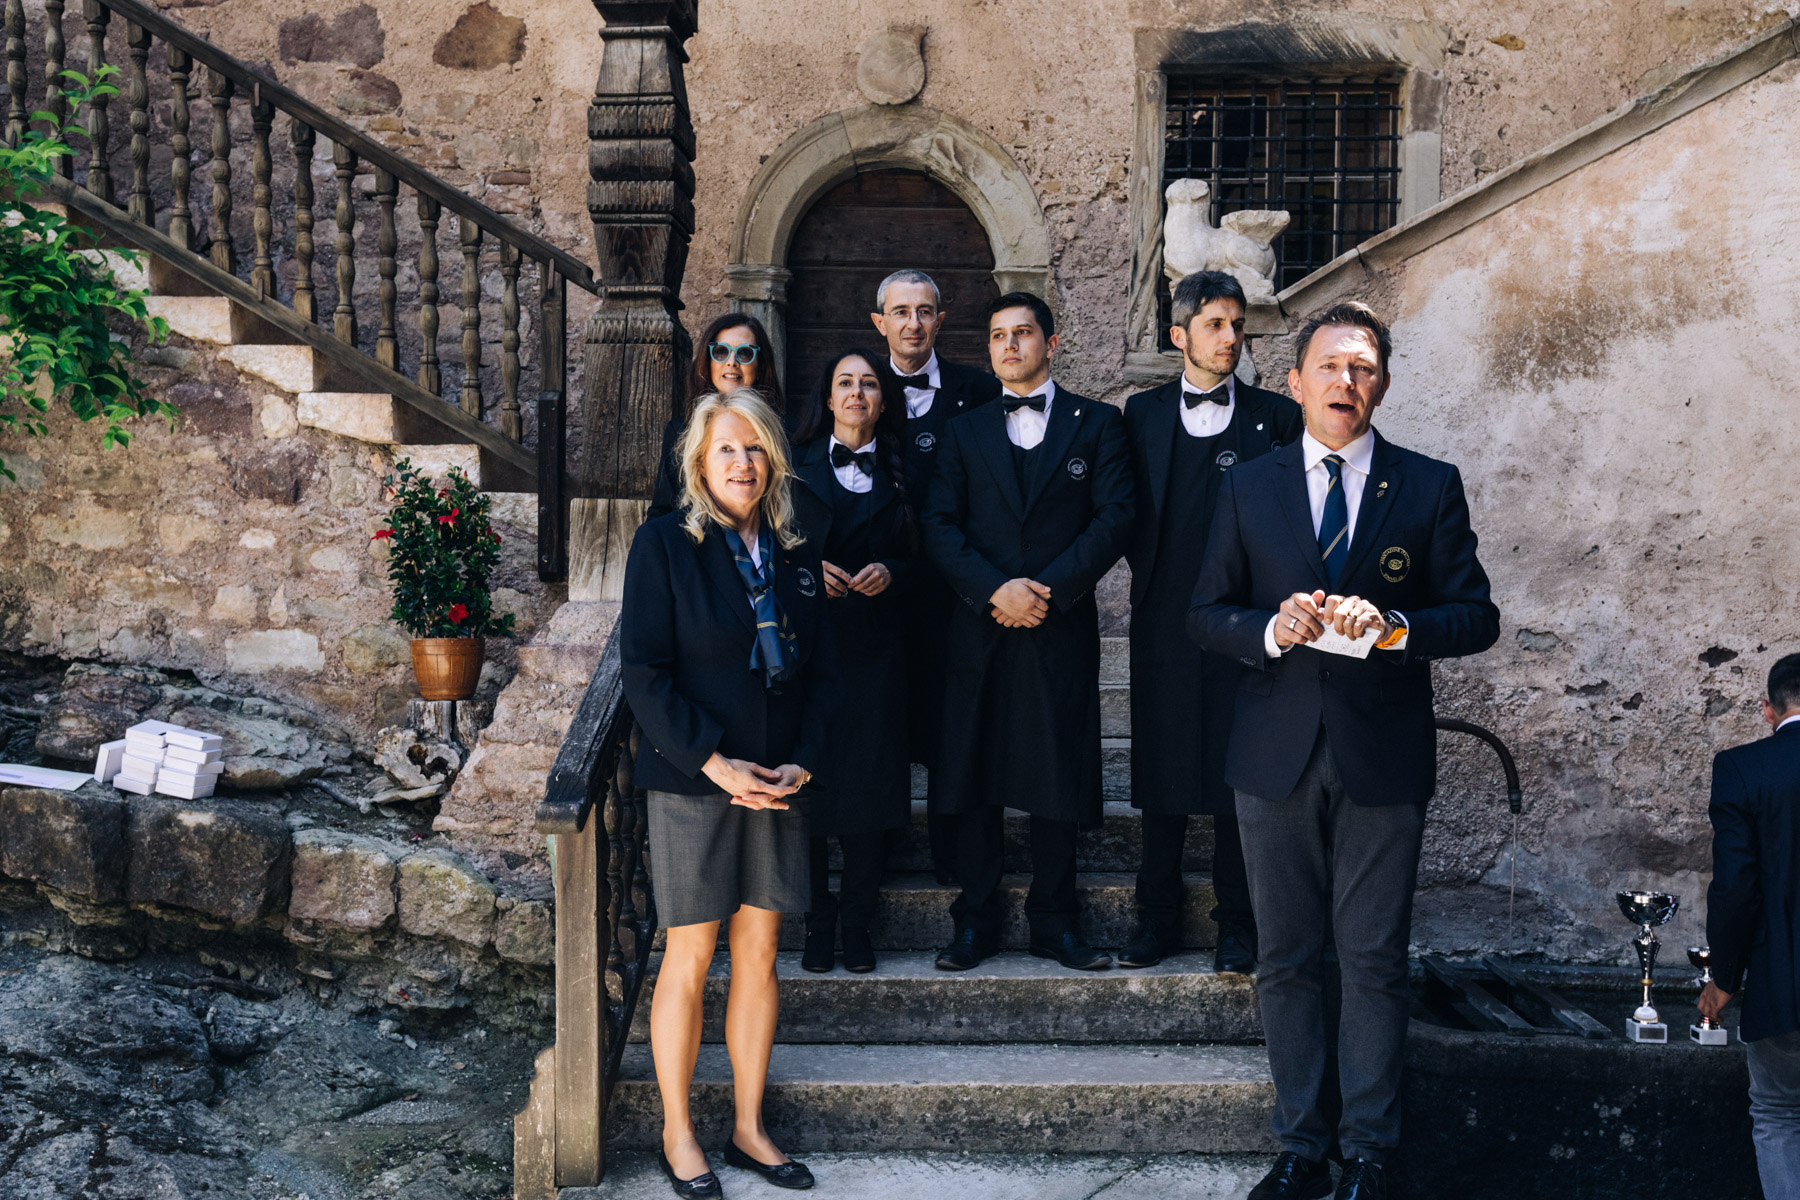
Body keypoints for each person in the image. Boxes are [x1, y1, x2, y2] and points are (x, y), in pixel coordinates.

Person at [1189, 301, 1499, 1200]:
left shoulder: (1429, 484)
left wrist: (1396, 626)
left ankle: (1368, 1155)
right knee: (1285, 958)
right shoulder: (1249, 486)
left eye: (1362, 367)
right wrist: (1271, 629)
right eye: (1329, 366)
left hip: (1382, 755)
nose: (1345, 381)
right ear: (1295, 383)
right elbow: (1205, 614)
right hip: (1273, 757)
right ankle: (1301, 1149)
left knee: (1372, 960)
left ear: (1383, 386)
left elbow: (1476, 616)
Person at [620, 389, 836, 1197]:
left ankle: (748, 1128)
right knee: (690, 955)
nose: (741, 463)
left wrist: (802, 764)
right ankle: (678, 1135)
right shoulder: (663, 545)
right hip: (694, 778)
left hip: (778, 781)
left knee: (760, 953)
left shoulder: (796, 554)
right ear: (699, 464)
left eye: (754, 449)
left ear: (773, 459)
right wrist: (715, 765)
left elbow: (826, 678)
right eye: (725, 451)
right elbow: (644, 671)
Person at [921, 291, 1133, 972]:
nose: (1009, 345)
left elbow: (1115, 517)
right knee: (975, 769)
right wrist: (994, 590)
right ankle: (974, 921)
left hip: (1057, 623)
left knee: (1057, 771)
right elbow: (938, 523)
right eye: (997, 336)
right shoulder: (962, 431)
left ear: (1052, 343)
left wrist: (1049, 590)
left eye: (1022, 333)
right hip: (976, 626)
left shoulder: (1098, 423)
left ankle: (1056, 922)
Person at [1119, 270, 1302, 974]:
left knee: (1237, 767)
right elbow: (1124, 510)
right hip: (1164, 614)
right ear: (1179, 335)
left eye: (1237, 326)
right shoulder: (1141, 414)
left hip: (1244, 618)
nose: (1231, 338)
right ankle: (1155, 918)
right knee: (1160, 766)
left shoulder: (1274, 417)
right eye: (1216, 325)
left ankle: (1237, 925)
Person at [788, 349, 916, 974]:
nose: (857, 393)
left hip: (881, 653)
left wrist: (892, 571)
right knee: (810, 786)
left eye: (869, 384)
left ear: (883, 401)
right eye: (846, 383)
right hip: (809, 652)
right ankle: (818, 921)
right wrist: (806, 569)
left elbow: (926, 555)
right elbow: (764, 549)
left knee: (871, 788)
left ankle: (858, 921)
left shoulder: (905, 471)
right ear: (828, 397)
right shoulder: (793, 467)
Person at [870, 268, 997, 884]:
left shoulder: (981, 391)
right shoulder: (859, 389)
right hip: (880, 594)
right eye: (900, 312)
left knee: (957, 728)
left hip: (958, 594)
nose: (913, 323)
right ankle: (880, 853)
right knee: (885, 722)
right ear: (880, 323)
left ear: (940, 321)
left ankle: (958, 861)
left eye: (924, 312)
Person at [1702, 652, 1800, 1200]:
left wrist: (1724, 977)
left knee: (1780, 1113)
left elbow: (1736, 888)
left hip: (1783, 984)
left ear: (1768, 709)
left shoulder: (1742, 768)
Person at [646, 312, 787, 522]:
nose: (732, 362)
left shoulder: (786, 432)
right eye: (721, 352)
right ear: (708, 362)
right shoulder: (679, 431)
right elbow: (662, 509)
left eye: (745, 353)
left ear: (760, 366)